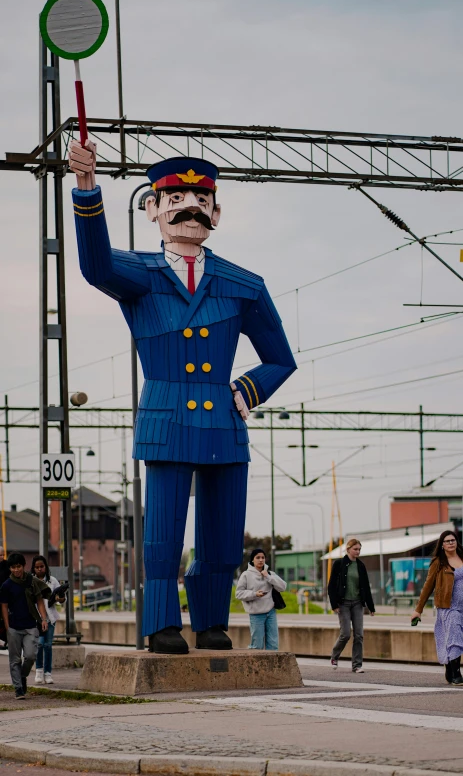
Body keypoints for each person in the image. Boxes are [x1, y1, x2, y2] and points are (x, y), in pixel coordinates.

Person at [68, 143, 296, 654]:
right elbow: (95, 265)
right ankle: (161, 625)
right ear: (152, 208)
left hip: (223, 421)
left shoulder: (245, 285)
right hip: (167, 418)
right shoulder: (138, 273)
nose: (188, 205)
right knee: (162, 539)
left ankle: (212, 621)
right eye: (174, 195)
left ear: (216, 212)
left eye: (201, 197)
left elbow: (280, 357)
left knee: (221, 537)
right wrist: (87, 187)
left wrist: (247, 388)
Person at [411, 530, 463, 686]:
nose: (451, 543)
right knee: (455, 638)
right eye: (447, 541)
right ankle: (457, 674)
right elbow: (427, 586)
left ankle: (449, 667)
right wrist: (418, 609)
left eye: (453, 540)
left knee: (462, 639)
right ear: (442, 545)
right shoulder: (438, 562)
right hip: (448, 607)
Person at [0, 552, 50, 700]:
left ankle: (23, 675)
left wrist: (44, 619)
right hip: (14, 627)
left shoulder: (31, 581)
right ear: (10, 568)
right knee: (14, 660)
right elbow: (3, 606)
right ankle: (18, 689)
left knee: (30, 655)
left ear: (23, 566)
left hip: (30, 625)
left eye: (19, 566)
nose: (16, 570)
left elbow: (40, 600)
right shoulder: (6, 586)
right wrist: (7, 626)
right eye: (13, 567)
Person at [328, 538, 375, 673]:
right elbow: (331, 586)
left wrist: (371, 607)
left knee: (359, 635)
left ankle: (357, 665)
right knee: (346, 634)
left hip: (357, 603)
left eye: (359, 549)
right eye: (355, 549)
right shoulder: (339, 564)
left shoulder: (361, 566)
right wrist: (334, 604)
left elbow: (366, 587)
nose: (357, 552)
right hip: (343, 604)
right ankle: (334, 657)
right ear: (348, 549)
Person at [236, 549, 286, 650]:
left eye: (263, 557)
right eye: (257, 557)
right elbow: (238, 593)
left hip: (270, 612)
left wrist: (268, 577)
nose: (260, 560)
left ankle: (272, 665)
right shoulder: (246, 575)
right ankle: (254, 665)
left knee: (273, 644)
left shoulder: (270, 574)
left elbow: (283, 587)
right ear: (252, 560)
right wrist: (255, 594)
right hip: (256, 614)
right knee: (257, 645)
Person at [31, 555, 66, 685]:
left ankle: (48, 673)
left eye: (42, 566)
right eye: (37, 567)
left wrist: (59, 598)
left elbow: (62, 599)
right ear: (33, 568)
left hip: (50, 618)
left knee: (48, 645)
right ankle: (39, 670)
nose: (40, 569)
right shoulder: (31, 581)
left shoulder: (52, 580)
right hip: (36, 619)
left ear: (45, 567)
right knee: (39, 644)